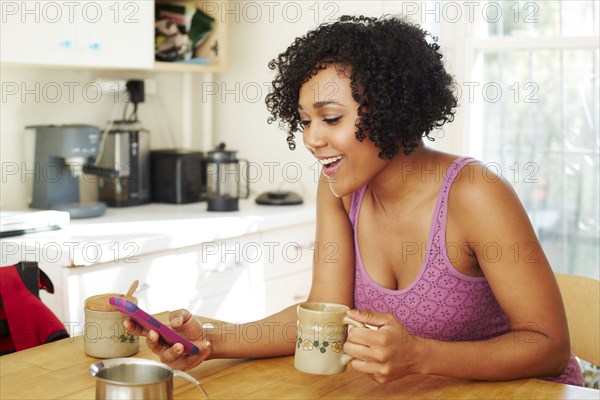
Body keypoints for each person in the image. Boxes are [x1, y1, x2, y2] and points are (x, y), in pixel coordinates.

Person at [126, 15, 584, 386]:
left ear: (393, 114)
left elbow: (548, 347)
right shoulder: (339, 190)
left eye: (330, 118)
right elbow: (325, 314)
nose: (311, 138)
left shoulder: (476, 195)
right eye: (304, 121)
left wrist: (422, 355)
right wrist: (209, 340)